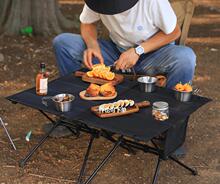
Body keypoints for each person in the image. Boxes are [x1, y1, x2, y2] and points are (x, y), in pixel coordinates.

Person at [52, 0, 196, 156]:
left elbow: (174, 32)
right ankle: (73, 114)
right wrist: (92, 45)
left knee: (185, 58)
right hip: (116, 52)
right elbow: (87, 23)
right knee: (63, 43)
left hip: (154, 54)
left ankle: (170, 132)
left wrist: (138, 51)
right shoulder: (97, 2)